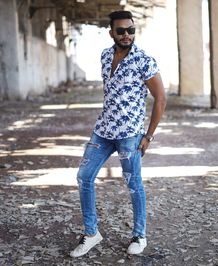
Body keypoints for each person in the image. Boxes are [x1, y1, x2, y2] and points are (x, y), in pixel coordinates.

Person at [70, 10, 166, 258]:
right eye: (121, 30)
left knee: (133, 184)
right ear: (111, 32)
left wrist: (148, 136)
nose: (126, 35)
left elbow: (161, 98)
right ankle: (92, 234)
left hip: (129, 134)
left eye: (131, 30)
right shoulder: (104, 56)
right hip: (103, 130)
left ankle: (139, 235)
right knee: (84, 177)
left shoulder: (144, 60)